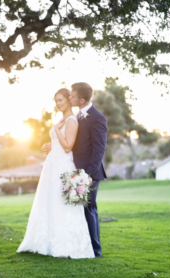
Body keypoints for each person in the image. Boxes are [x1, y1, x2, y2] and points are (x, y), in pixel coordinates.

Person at [16, 88, 95, 259]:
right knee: (50, 203)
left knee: (63, 205)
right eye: (56, 101)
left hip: (63, 167)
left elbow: (67, 146)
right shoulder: (61, 120)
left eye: (60, 100)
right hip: (52, 165)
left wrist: (56, 131)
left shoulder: (72, 121)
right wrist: (49, 146)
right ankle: (47, 242)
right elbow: (59, 144)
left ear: (69, 99)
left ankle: (66, 244)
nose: (58, 104)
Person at [41, 82, 107, 258]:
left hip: (88, 172)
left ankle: (95, 251)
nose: (69, 98)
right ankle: (82, 247)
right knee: (78, 211)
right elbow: (72, 141)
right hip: (74, 169)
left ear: (81, 99)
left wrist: (89, 174)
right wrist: (52, 146)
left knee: (89, 208)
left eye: (72, 96)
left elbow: (99, 149)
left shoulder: (97, 118)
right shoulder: (78, 116)